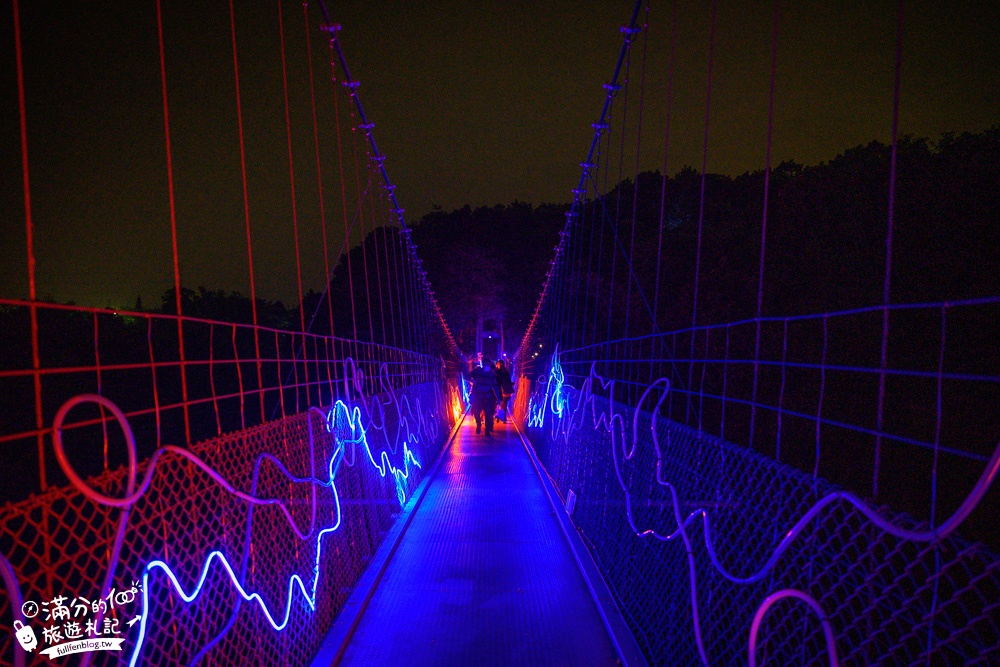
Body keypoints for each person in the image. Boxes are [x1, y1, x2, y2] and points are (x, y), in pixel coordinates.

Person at [468, 358, 500, 436]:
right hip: (478, 396)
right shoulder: (477, 372)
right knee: (476, 412)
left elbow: (495, 387)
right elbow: (467, 376)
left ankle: (487, 430)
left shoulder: (491, 375)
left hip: (488, 398)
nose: (487, 367)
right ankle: (478, 424)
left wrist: (499, 398)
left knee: (488, 415)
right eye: (486, 365)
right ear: (483, 365)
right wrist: (472, 381)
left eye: (488, 365)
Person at [494, 359, 514, 423]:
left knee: (498, 403)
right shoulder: (506, 372)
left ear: (498, 364)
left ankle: (499, 416)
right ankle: (503, 418)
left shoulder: (497, 372)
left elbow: (496, 381)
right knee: (504, 404)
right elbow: (509, 381)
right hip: (506, 391)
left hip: (499, 390)